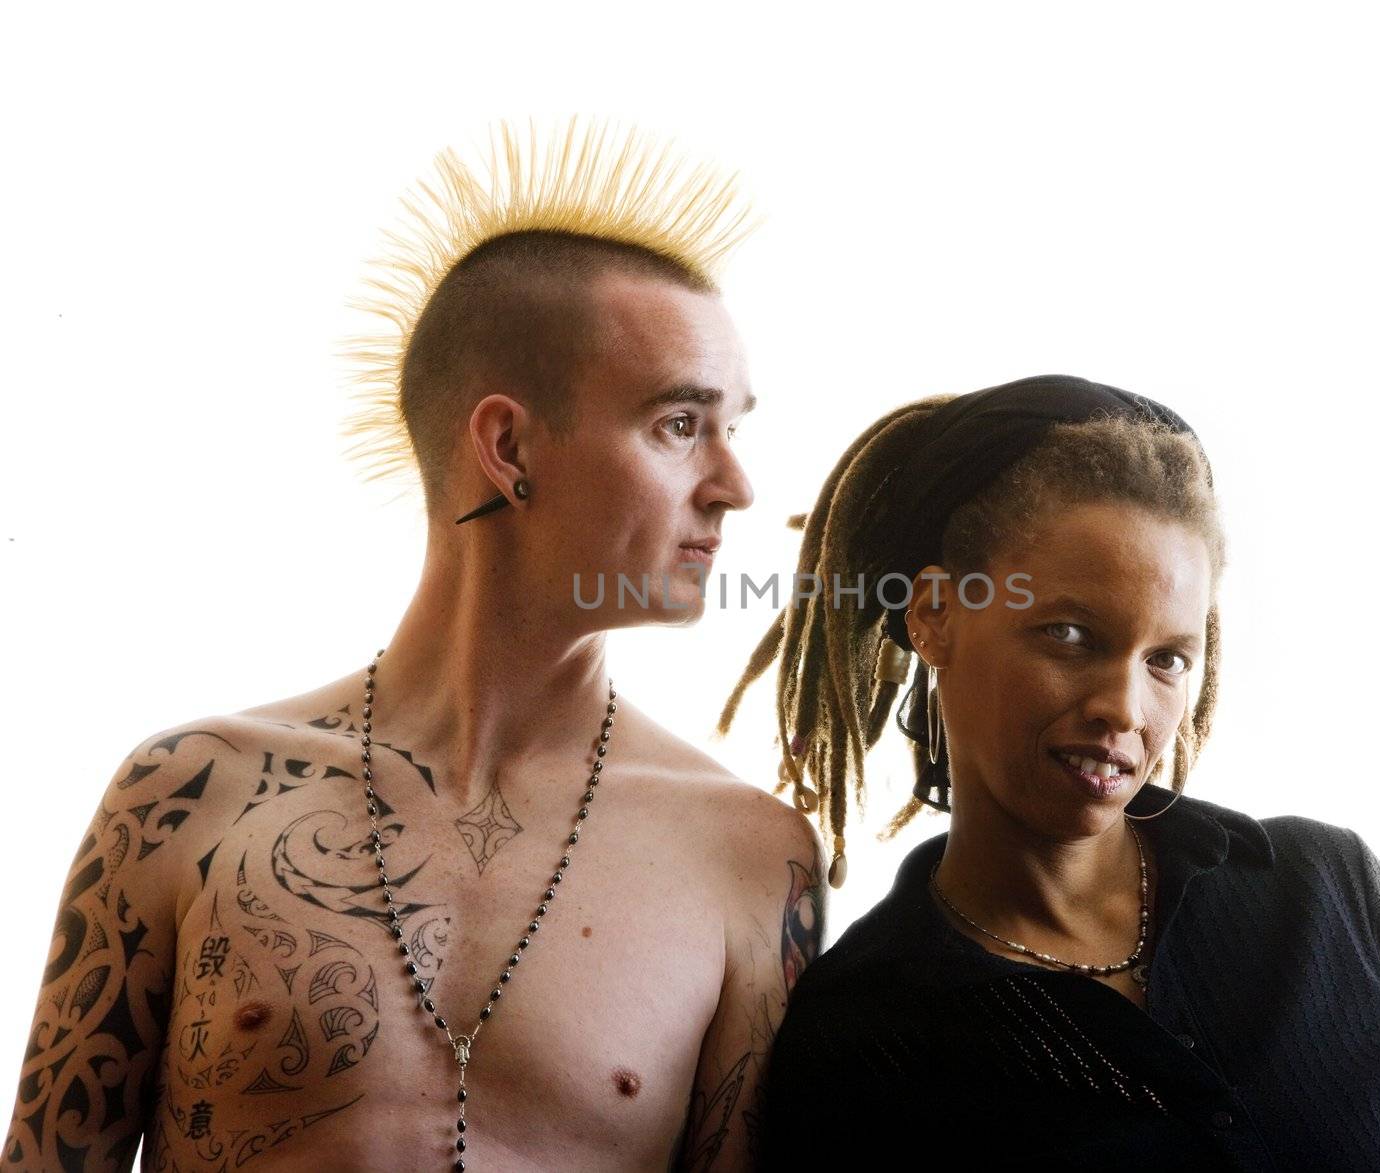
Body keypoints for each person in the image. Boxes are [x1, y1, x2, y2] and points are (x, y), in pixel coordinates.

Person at [5, 120, 823, 1172]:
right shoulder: (190, 796)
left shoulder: (751, 859)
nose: (734, 486)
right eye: (678, 425)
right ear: (508, 445)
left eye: (732, 429)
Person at [720, 375, 1380, 1170]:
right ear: (935, 614)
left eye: (1167, 658)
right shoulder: (864, 1041)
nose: (1123, 708)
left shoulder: (1326, 893)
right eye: (1069, 634)